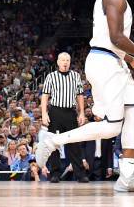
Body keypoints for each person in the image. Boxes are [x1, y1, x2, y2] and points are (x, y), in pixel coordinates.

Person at [36, 0, 134, 192]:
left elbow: (111, 39)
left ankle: (127, 177)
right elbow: (115, 37)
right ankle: (52, 141)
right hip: (106, 63)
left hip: (113, 61)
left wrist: (131, 60)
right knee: (113, 127)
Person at [41, 52, 88, 183]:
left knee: (74, 143)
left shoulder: (76, 76)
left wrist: (82, 113)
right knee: (54, 143)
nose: (65, 62)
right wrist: (44, 113)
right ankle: (55, 173)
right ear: (58, 62)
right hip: (55, 111)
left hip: (70, 112)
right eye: (63, 60)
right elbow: (45, 96)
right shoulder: (51, 76)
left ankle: (80, 174)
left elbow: (79, 95)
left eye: (67, 60)